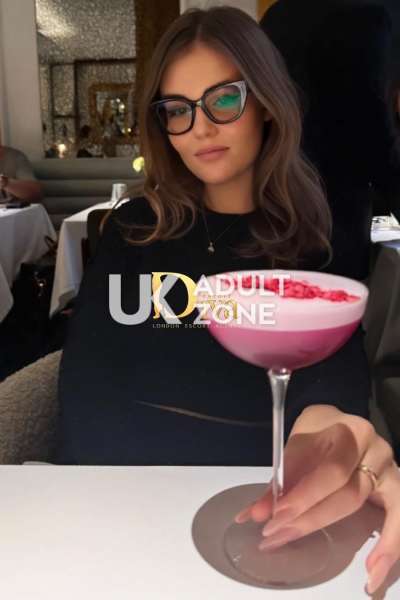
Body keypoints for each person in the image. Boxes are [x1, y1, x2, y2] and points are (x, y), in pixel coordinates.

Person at [55, 7, 400, 594]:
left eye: (223, 100)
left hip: (256, 513)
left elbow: (330, 378)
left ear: (265, 101)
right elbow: (88, 387)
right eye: (177, 109)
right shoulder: (133, 229)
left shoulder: (315, 234)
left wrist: (332, 428)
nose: (200, 129)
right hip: (123, 510)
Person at [260, 0, 400, 280]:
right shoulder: (374, 14)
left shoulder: (277, 14)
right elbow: (372, 126)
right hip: (338, 207)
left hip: (274, 199)